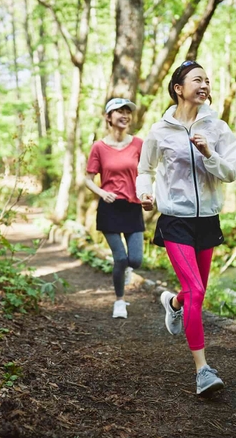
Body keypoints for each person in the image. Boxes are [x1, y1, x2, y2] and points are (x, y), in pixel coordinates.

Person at [136, 61, 236, 396]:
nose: (205, 84)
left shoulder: (219, 128)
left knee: (196, 293)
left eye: (208, 80)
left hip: (207, 219)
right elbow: (144, 169)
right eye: (198, 79)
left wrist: (209, 153)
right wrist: (145, 194)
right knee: (196, 290)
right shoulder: (160, 131)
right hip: (175, 219)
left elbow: (231, 173)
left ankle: (174, 305)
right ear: (179, 89)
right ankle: (202, 371)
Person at [85, 98, 145, 319]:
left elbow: (147, 172)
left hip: (132, 206)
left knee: (136, 260)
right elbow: (88, 179)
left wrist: (148, 193)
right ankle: (119, 301)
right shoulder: (99, 147)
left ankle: (126, 271)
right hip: (110, 207)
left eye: (128, 111)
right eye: (119, 111)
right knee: (120, 258)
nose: (125, 115)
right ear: (108, 117)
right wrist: (102, 193)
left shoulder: (139, 143)